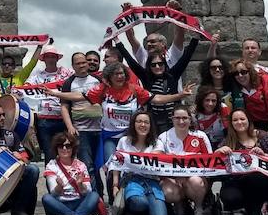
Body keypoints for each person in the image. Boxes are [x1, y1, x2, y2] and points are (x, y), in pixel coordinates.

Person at [83, 61, 179, 190]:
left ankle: (133, 194)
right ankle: (115, 201)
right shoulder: (103, 89)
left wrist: (180, 95)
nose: (120, 76)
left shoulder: (134, 89)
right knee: (112, 168)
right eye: (116, 74)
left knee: (133, 168)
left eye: (122, 73)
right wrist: (56, 94)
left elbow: (156, 99)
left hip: (131, 137)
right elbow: (79, 96)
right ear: (109, 76)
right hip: (110, 137)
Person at [117, 37, 197, 134]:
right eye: (153, 65)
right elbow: (129, 59)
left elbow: (186, 56)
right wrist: (117, 40)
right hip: (155, 124)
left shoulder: (173, 75)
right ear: (149, 66)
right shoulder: (146, 77)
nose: (157, 67)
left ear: (164, 64)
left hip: (175, 122)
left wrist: (196, 37)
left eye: (160, 64)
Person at [51, 52, 103, 197]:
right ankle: (94, 200)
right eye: (78, 63)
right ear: (73, 66)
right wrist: (70, 127)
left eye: (84, 62)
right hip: (82, 131)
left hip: (100, 129)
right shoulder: (69, 83)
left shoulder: (97, 79)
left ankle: (108, 199)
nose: (82, 65)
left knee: (103, 166)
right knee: (88, 166)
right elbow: (64, 107)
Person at [216, 109, 268, 215]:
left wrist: (265, 155)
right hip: (235, 182)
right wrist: (218, 152)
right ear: (231, 123)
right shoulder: (228, 140)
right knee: (231, 198)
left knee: (256, 178)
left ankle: (255, 213)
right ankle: (229, 206)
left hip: (259, 182)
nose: (239, 122)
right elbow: (214, 161)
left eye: (242, 119)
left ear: (249, 120)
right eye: (235, 120)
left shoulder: (262, 137)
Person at [111, 110, 167, 215]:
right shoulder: (124, 141)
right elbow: (116, 163)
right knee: (139, 202)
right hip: (131, 179)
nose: (143, 125)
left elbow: (155, 157)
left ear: (151, 125)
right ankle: (132, 211)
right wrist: (115, 185)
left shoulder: (157, 143)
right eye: (139, 122)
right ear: (133, 124)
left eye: (146, 122)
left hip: (152, 181)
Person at [157, 104, 212, 215]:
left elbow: (209, 161)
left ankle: (198, 207)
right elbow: (157, 160)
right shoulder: (164, 137)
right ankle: (179, 204)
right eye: (177, 118)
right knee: (168, 192)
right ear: (172, 119)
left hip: (195, 177)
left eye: (184, 118)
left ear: (190, 119)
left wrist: (185, 174)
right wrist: (177, 175)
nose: (181, 121)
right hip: (172, 179)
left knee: (195, 181)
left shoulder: (200, 136)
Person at [42, 132, 102, 215]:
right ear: (56, 148)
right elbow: (53, 194)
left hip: (79, 202)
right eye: (61, 146)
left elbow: (88, 192)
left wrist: (80, 185)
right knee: (46, 198)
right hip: (60, 204)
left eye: (68, 146)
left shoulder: (81, 165)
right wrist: (59, 186)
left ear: (73, 148)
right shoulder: (51, 165)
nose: (64, 149)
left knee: (94, 195)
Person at [27, 45, 73, 163]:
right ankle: (51, 180)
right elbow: (25, 88)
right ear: (44, 59)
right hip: (44, 120)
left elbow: (79, 79)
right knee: (49, 153)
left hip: (63, 118)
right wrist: (16, 90)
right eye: (48, 57)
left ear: (57, 59)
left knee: (67, 151)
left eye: (53, 56)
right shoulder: (37, 76)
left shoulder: (67, 73)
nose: (51, 59)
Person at [229, 59, 268, 131]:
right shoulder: (236, 90)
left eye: (243, 72)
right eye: (236, 73)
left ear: (250, 72)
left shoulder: (264, 80)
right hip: (255, 127)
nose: (240, 76)